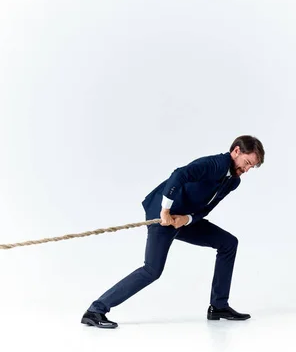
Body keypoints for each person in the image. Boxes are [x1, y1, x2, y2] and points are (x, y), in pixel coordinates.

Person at [81, 135, 265, 328]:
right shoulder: (216, 163)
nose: (246, 169)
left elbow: (208, 207)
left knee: (228, 243)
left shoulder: (232, 181)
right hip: (161, 213)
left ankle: (219, 305)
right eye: (246, 163)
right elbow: (179, 174)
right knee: (152, 270)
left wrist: (188, 219)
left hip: (181, 219)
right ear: (236, 151)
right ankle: (96, 310)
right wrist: (166, 210)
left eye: (250, 167)